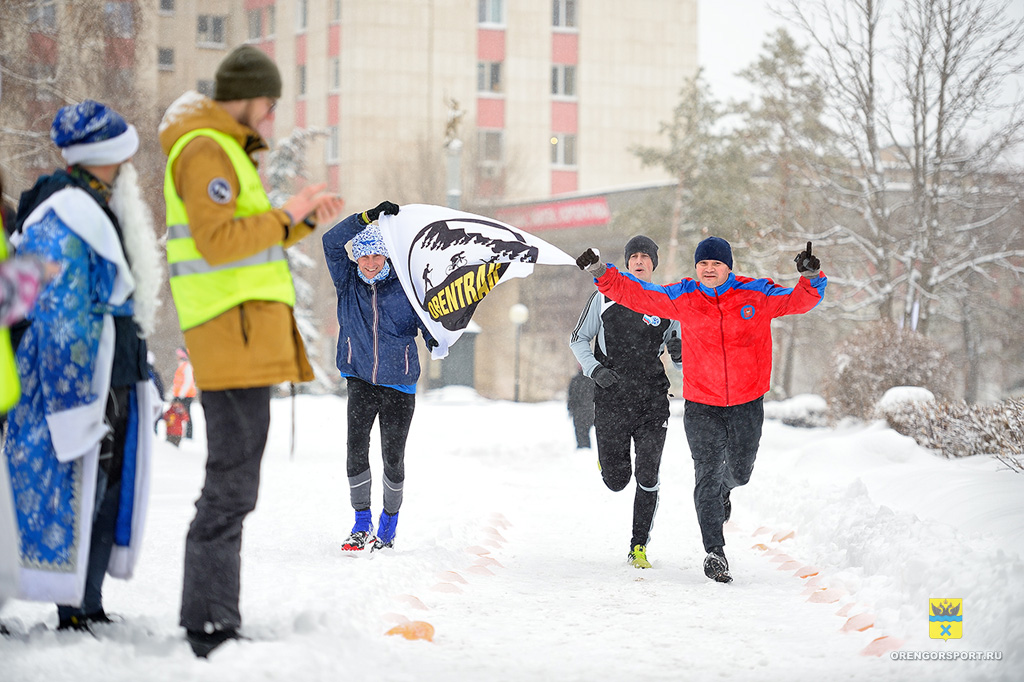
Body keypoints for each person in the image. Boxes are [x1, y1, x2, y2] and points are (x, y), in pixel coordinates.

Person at [159, 44, 345, 657]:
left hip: (242, 335)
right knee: (230, 486)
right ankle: (208, 624)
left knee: (237, 485)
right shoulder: (205, 150)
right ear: (244, 96)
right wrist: (286, 211)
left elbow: (249, 239)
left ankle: (215, 615)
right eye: (268, 104)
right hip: (228, 334)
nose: (270, 117)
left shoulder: (226, 151)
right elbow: (217, 242)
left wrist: (302, 219)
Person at [576, 236, 826, 583]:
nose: (709, 270)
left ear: (728, 267)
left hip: (746, 401)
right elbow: (636, 294)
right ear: (697, 268)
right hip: (701, 403)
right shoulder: (683, 296)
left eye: (716, 264)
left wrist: (812, 278)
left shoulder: (756, 293)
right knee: (706, 474)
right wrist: (601, 271)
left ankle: (727, 489)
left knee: (740, 471)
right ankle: (714, 552)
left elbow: (799, 301)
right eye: (703, 264)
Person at [2, 100, 162, 630]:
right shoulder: (65, 212)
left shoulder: (90, 204)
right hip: (79, 382)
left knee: (105, 489)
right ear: (102, 157)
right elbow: (57, 315)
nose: (126, 169)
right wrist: (71, 401)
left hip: (113, 374)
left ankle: (85, 603)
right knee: (77, 493)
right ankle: (73, 607)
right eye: (120, 158)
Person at [322, 204, 436, 553]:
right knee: (356, 451)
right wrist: (366, 218)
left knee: (393, 457)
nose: (370, 263)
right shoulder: (347, 281)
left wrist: (436, 337)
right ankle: (360, 524)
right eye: (364, 256)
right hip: (359, 379)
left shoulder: (405, 286)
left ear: (387, 258)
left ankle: (388, 525)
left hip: (399, 383)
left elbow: (430, 322)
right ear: (356, 259)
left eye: (377, 256)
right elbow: (330, 241)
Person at [570, 235, 682, 569]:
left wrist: (680, 352)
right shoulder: (604, 295)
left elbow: (679, 354)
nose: (639, 260)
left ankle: (638, 546)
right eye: (633, 256)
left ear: (653, 263)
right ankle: (610, 466)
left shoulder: (666, 301)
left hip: (652, 401)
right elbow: (578, 339)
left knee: (648, 474)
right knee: (618, 481)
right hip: (612, 398)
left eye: (645, 256)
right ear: (627, 262)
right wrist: (595, 370)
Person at [566, 367, 595, 449]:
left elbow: (571, 397)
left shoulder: (576, 380)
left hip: (583, 412)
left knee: (582, 436)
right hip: (587, 412)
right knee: (583, 436)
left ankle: (584, 451)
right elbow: (571, 397)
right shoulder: (592, 380)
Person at [171, 347, 196, 439]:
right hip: (180, 395)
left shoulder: (187, 366)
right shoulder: (181, 366)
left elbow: (188, 382)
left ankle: (189, 435)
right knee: (178, 415)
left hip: (186, 395)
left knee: (187, 415)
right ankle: (178, 432)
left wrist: (181, 395)